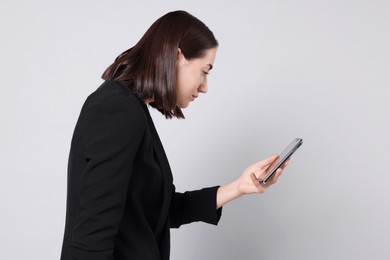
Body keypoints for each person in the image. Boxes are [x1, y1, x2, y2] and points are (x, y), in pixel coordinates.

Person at [60, 10, 288, 260]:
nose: (204, 87)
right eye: (205, 71)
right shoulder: (117, 110)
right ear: (178, 56)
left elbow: (163, 210)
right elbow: (91, 237)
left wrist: (240, 186)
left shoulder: (133, 110)